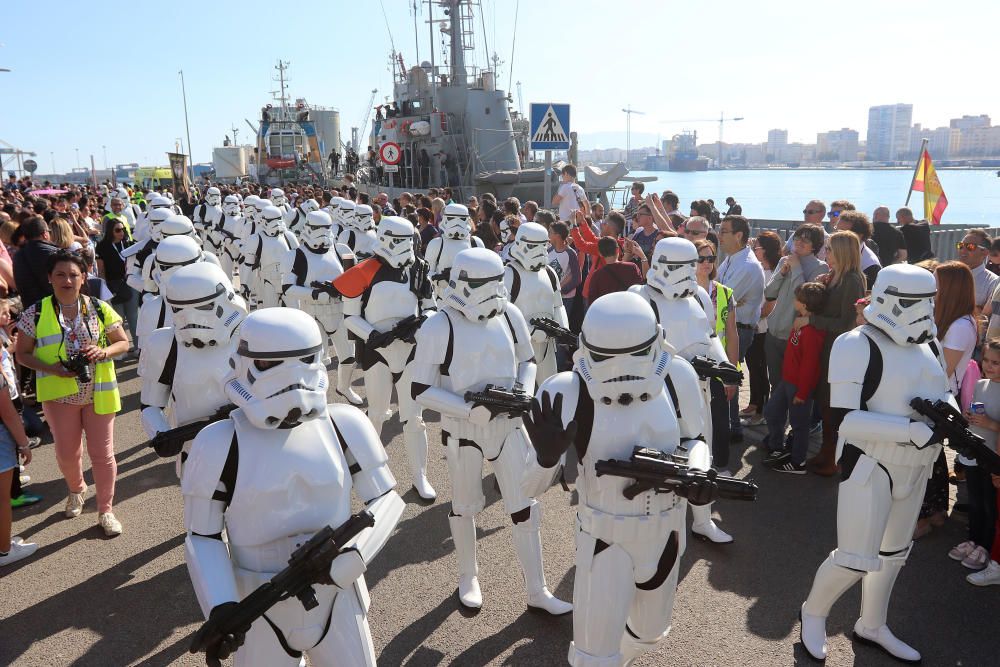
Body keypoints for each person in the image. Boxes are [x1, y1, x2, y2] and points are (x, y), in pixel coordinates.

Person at [181, 308, 405, 667]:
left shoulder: (344, 423)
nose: (291, 380)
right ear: (243, 364)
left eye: (303, 361)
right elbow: (202, 536)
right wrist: (221, 606)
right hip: (258, 605)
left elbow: (387, 498)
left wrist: (355, 555)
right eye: (271, 366)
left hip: (339, 595)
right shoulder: (219, 442)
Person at [520, 292, 713, 666]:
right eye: (608, 358)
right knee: (593, 656)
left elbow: (696, 440)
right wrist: (545, 459)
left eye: (635, 355)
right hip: (605, 538)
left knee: (650, 633)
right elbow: (527, 489)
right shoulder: (566, 391)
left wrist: (698, 472)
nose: (621, 370)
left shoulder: (678, 377)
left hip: (668, 531)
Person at [800, 264, 950, 664]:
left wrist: (950, 419)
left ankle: (873, 624)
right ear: (884, 297)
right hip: (870, 463)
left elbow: (944, 392)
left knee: (894, 554)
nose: (920, 312)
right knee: (854, 557)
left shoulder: (931, 345)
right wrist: (909, 430)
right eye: (910, 302)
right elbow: (844, 419)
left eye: (926, 302)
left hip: (917, 466)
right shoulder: (855, 344)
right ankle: (813, 612)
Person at [411, 248, 571, 614]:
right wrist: (468, 409)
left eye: (497, 283)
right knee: (465, 506)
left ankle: (537, 590)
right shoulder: (439, 325)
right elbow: (419, 390)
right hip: (464, 431)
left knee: (525, 508)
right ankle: (468, 576)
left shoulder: (510, 315)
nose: (494, 292)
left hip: (508, 425)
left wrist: (523, 392)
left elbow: (527, 361)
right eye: (486, 284)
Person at [14, 250, 130, 536]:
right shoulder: (35, 312)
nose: (67, 280)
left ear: (84, 277)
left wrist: (103, 351)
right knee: (67, 454)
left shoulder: (99, 308)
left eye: (73, 274)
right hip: (59, 396)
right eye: (60, 275)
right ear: (50, 279)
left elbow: (123, 342)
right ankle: (77, 489)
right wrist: (51, 368)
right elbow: (22, 355)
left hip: (98, 392)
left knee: (102, 455)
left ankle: (106, 510)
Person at [630, 237, 737, 544]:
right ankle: (651, 522)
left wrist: (724, 364)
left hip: (698, 391)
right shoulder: (639, 297)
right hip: (654, 394)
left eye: (688, 266)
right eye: (675, 266)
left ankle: (702, 519)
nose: (682, 273)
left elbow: (710, 335)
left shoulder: (700, 297)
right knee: (657, 455)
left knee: (703, 451)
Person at [335, 216, 437, 500]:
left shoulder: (418, 270)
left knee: (415, 419)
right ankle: (369, 472)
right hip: (377, 351)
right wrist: (372, 335)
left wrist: (418, 324)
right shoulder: (363, 271)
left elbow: (431, 307)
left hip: (410, 350)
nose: (406, 247)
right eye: (401, 240)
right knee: (377, 414)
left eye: (409, 240)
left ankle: (420, 476)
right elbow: (350, 317)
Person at [139, 263, 248, 476]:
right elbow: (150, 404)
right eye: (179, 309)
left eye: (203, 307)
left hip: (254, 451)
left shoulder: (255, 335)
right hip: (196, 454)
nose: (190, 317)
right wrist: (161, 433)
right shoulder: (164, 343)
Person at [801, 231, 867, 476]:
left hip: (837, 350)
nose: (824, 253)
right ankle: (827, 453)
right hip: (826, 347)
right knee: (825, 404)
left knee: (832, 406)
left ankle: (832, 459)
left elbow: (846, 323)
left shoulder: (851, 280)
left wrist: (812, 320)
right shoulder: (835, 276)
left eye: (829, 249)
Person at [280, 210, 361, 405]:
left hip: (339, 310)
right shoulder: (296, 255)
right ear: (308, 228)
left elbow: (355, 280)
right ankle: (318, 396)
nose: (322, 232)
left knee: (349, 356)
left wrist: (342, 291)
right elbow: (287, 288)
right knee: (318, 360)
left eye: (325, 227)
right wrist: (314, 293)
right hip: (313, 312)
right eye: (317, 228)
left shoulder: (341, 251)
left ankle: (344, 387)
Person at [762, 282, 827, 473]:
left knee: (799, 426)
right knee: (772, 412)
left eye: (797, 298)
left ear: (805, 305)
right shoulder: (801, 320)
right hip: (787, 381)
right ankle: (777, 448)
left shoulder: (813, 332)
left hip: (799, 387)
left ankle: (798, 462)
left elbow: (810, 365)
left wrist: (803, 392)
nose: (794, 300)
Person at [717, 215, 765, 443]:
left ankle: (731, 427)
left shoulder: (746, 265)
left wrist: (726, 297)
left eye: (724, 231)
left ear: (739, 236)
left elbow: (719, 296)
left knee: (728, 375)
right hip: (732, 324)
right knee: (727, 375)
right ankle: (730, 425)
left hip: (739, 328)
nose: (719, 236)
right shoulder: (731, 259)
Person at [503, 222, 569, 388]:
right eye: (533, 246)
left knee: (550, 389)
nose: (539, 251)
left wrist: (562, 329)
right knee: (521, 393)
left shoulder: (549, 273)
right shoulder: (510, 273)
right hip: (519, 346)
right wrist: (530, 331)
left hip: (547, 345)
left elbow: (558, 305)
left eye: (543, 245)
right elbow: (503, 312)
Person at [963, 339, 1000, 586]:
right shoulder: (980, 383)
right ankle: (974, 541)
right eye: (986, 360)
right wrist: (969, 417)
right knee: (974, 500)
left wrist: (989, 424)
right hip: (975, 452)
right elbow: (974, 415)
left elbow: (993, 424)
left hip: (993, 458)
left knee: (990, 505)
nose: (989, 366)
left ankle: (987, 547)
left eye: (996, 363)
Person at [742, 231, 783, 425]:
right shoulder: (759, 269)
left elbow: (769, 306)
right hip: (754, 326)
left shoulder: (773, 274)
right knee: (753, 367)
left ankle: (762, 411)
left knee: (761, 369)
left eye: (756, 247)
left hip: (763, 328)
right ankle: (753, 403)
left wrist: (752, 312)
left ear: (765, 250)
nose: (753, 250)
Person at [424, 204, 484, 299]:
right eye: (452, 218)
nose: (457, 223)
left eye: (462, 219)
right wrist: (440, 277)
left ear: (468, 220)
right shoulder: (437, 244)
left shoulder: (476, 243)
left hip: (470, 299)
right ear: (445, 219)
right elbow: (426, 275)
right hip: (442, 298)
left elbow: (483, 272)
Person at [12, 216, 59, 309]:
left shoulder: (17, 255)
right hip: (56, 310)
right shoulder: (56, 253)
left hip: (31, 312)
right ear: (45, 234)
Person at [587, 235, 644, 303]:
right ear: (617, 250)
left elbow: (592, 300)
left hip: (608, 311)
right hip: (629, 308)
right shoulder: (632, 267)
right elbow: (639, 290)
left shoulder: (597, 275)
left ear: (600, 254)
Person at [956, 228, 998, 311]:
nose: (962, 250)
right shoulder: (947, 275)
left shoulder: (993, 283)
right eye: (960, 245)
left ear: (985, 252)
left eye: (970, 247)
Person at [547, 222, 581, 322]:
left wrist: (561, 290)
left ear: (557, 236)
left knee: (561, 325)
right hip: (551, 296)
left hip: (565, 298)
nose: (548, 234)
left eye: (550, 232)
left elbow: (577, 278)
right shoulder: (549, 251)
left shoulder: (571, 253)